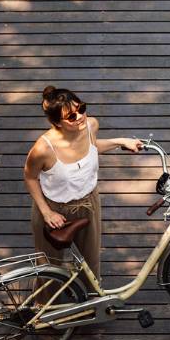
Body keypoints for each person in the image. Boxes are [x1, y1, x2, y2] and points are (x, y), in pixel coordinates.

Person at [24, 85, 143, 282]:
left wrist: (121, 141)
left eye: (81, 108)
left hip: (89, 203)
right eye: (71, 116)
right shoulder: (43, 149)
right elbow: (30, 177)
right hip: (54, 209)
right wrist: (47, 212)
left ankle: (90, 304)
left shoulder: (91, 126)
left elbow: (92, 147)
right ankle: (45, 309)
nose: (79, 116)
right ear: (56, 122)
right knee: (49, 268)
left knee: (91, 263)